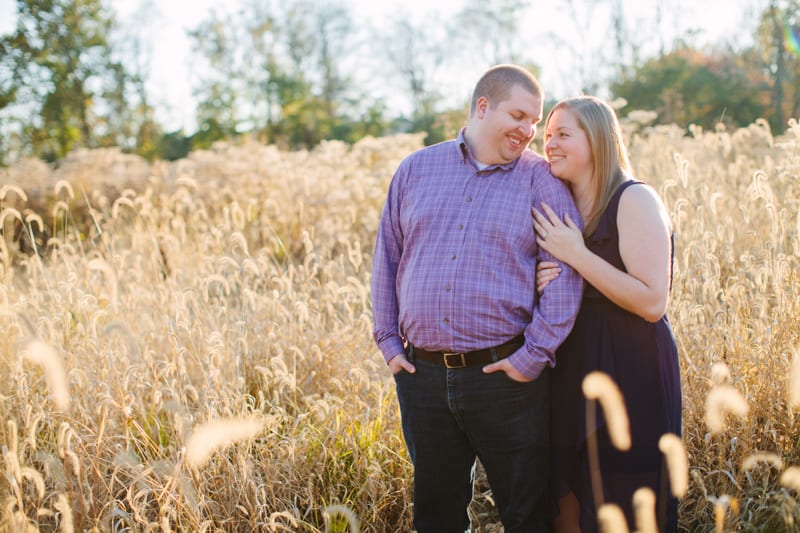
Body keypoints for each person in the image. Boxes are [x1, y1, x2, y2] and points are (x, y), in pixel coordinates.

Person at [371, 64, 584, 532]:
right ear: (482, 106)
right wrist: (388, 343)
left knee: (526, 512)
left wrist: (534, 355)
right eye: (520, 115)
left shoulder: (539, 180)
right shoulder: (416, 169)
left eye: (536, 120)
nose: (529, 131)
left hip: (506, 377)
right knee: (436, 512)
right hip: (421, 376)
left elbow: (567, 271)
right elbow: (387, 256)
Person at [532, 96, 682, 532]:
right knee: (568, 500)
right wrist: (544, 280)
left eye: (563, 134)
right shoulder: (561, 206)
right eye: (547, 136)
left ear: (597, 140)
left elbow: (653, 302)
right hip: (571, 372)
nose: (551, 144)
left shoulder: (634, 199)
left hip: (630, 370)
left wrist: (577, 258)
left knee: (626, 501)